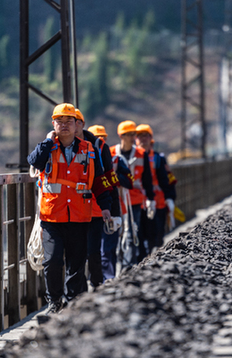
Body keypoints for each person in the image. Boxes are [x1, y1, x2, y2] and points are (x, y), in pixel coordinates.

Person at [27, 103, 112, 314]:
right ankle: (54, 301)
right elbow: (34, 162)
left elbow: (100, 180)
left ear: (77, 125)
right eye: (59, 121)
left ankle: (73, 303)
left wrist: (107, 208)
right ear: (53, 124)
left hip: (79, 216)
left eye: (69, 121)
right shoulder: (46, 148)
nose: (64, 126)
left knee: (76, 262)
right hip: (52, 217)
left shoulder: (89, 150)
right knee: (53, 260)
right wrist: (48, 140)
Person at [87, 125, 133, 280]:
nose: (101, 140)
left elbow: (127, 182)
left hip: (109, 208)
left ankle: (107, 279)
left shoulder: (114, 160)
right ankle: (96, 279)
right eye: (98, 137)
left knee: (108, 248)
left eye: (104, 138)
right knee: (93, 250)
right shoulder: (82, 157)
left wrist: (114, 176)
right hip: (87, 211)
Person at [110, 120, 155, 271]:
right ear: (121, 136)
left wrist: (150, 198)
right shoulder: (110, 153)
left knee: (131, 232)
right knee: (116, 233)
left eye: (133, 134)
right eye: (128, 134)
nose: (132, 137)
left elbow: (147, 179)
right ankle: (117, 263)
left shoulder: (141, 154)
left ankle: (127, 267)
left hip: (134, 200)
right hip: (115, 199)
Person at [136, 124, 177, 252]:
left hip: (158, 203)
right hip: (137, 202)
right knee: (140, 237)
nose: (143, 139)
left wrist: (170, 198)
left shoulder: (159, 159)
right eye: (140, 136)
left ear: (150, 138)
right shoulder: (131, 157)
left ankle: (155, 261)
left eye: (146, 136)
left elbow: (167, 180)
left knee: (157, 235)